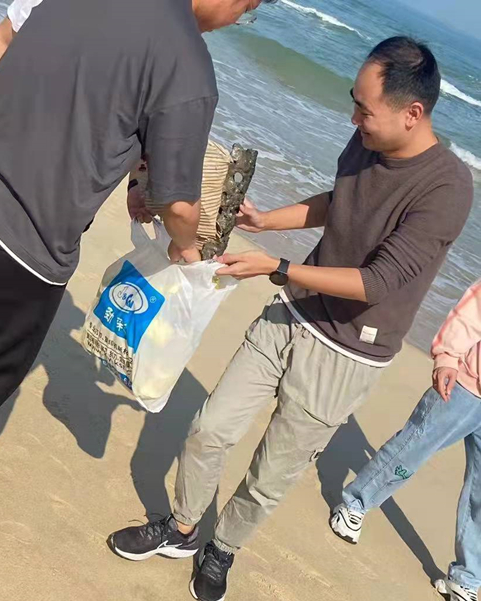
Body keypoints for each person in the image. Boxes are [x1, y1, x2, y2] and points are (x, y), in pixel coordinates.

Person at [0, 0, 279, 549]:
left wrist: (135, 180)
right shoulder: (186, 64)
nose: (236, 21)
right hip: (29, 232)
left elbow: (84, 92)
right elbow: (179, 201)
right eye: (247, 10)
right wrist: (187, 249)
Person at [109, 36, 474, 601]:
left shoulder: (447, 187)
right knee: (210, 428)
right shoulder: (367, 140)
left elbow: (378, 281)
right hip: (292, 312)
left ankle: (222, 549)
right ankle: (182, 528)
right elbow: (339, 200)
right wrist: (268, 222)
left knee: (271, 474)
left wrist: (278, 267)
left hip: (349, 352)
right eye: (354, 103)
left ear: (412, 113)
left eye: (365, 110)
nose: (353, 119)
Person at [329, 280, 481, 601]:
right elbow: (472, 312)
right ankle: (355, 504)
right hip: (465, 386)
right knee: (412, 449)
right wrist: (447, 357)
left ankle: (467, 577)